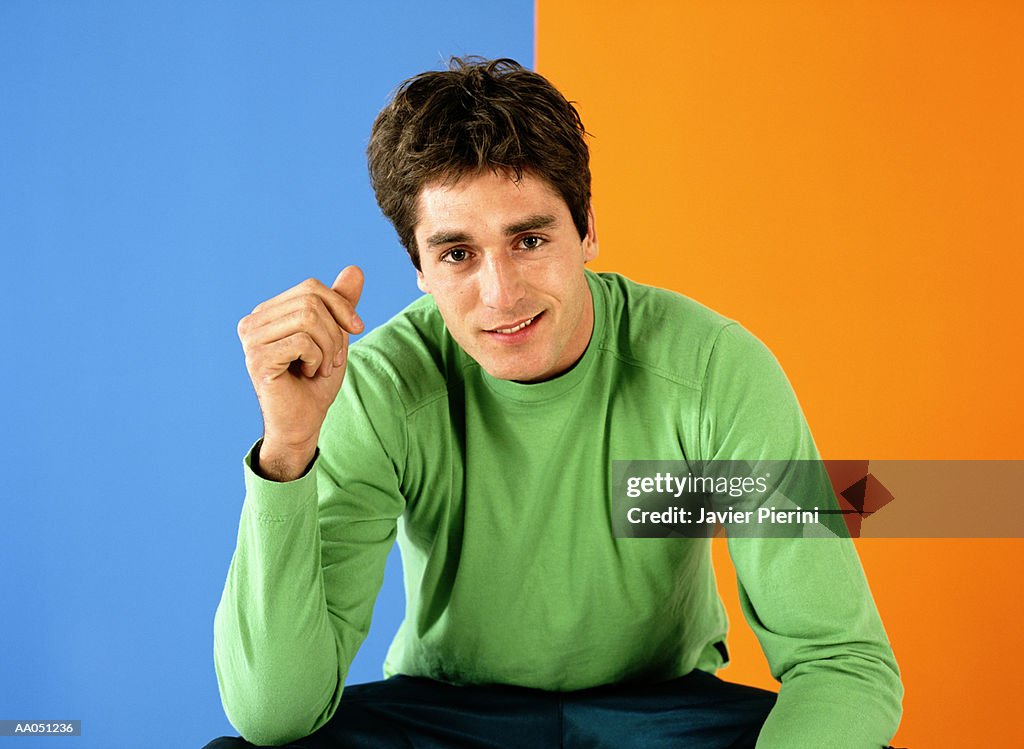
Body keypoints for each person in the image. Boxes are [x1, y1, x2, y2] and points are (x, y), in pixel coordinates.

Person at [206, 57, 903, 748]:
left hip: (662, 716)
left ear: (588, 231)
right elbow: (274, 712)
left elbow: (841, 661)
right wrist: (287, 452)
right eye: (456, 255)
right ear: (418, 268)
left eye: (530, 239)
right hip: (446, 717)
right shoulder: (385, 384)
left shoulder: (712, 369)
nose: (501, 294)